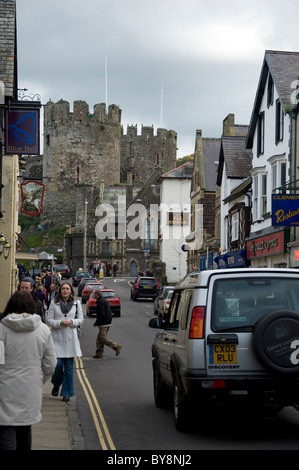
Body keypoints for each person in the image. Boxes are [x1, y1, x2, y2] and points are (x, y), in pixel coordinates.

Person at [0, 291, 56, 450]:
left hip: (5, 389)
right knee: (25, 428)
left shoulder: (1, 330)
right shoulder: (43, 330)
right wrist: (38, 379)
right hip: (30, 388)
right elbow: (51, 364)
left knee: (5, 430)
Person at [47, 282, 83, 402]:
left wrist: (72, 322)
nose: (65, 291)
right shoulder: (53, 303)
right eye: (63, 289)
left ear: (71, 291)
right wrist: (60, 323)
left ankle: (67, 393)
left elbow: (81, 319)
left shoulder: (77, 304)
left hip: (71, 339)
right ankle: (56, 384)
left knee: (69, 369)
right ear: (60, 291)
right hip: (57, 339)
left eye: (67, 289)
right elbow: (49, 321)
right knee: (57, 365)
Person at [93, 290, 121, 359]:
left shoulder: (101, 302)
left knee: (103, 338)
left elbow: (102, 314)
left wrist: (97, 322)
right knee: (99, 339)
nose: (94, 296)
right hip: (107, 322)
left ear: (96, 294)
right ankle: (99, 354)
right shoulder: (103, 300)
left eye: (94, 295)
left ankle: (116, 346)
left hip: (104, 323)